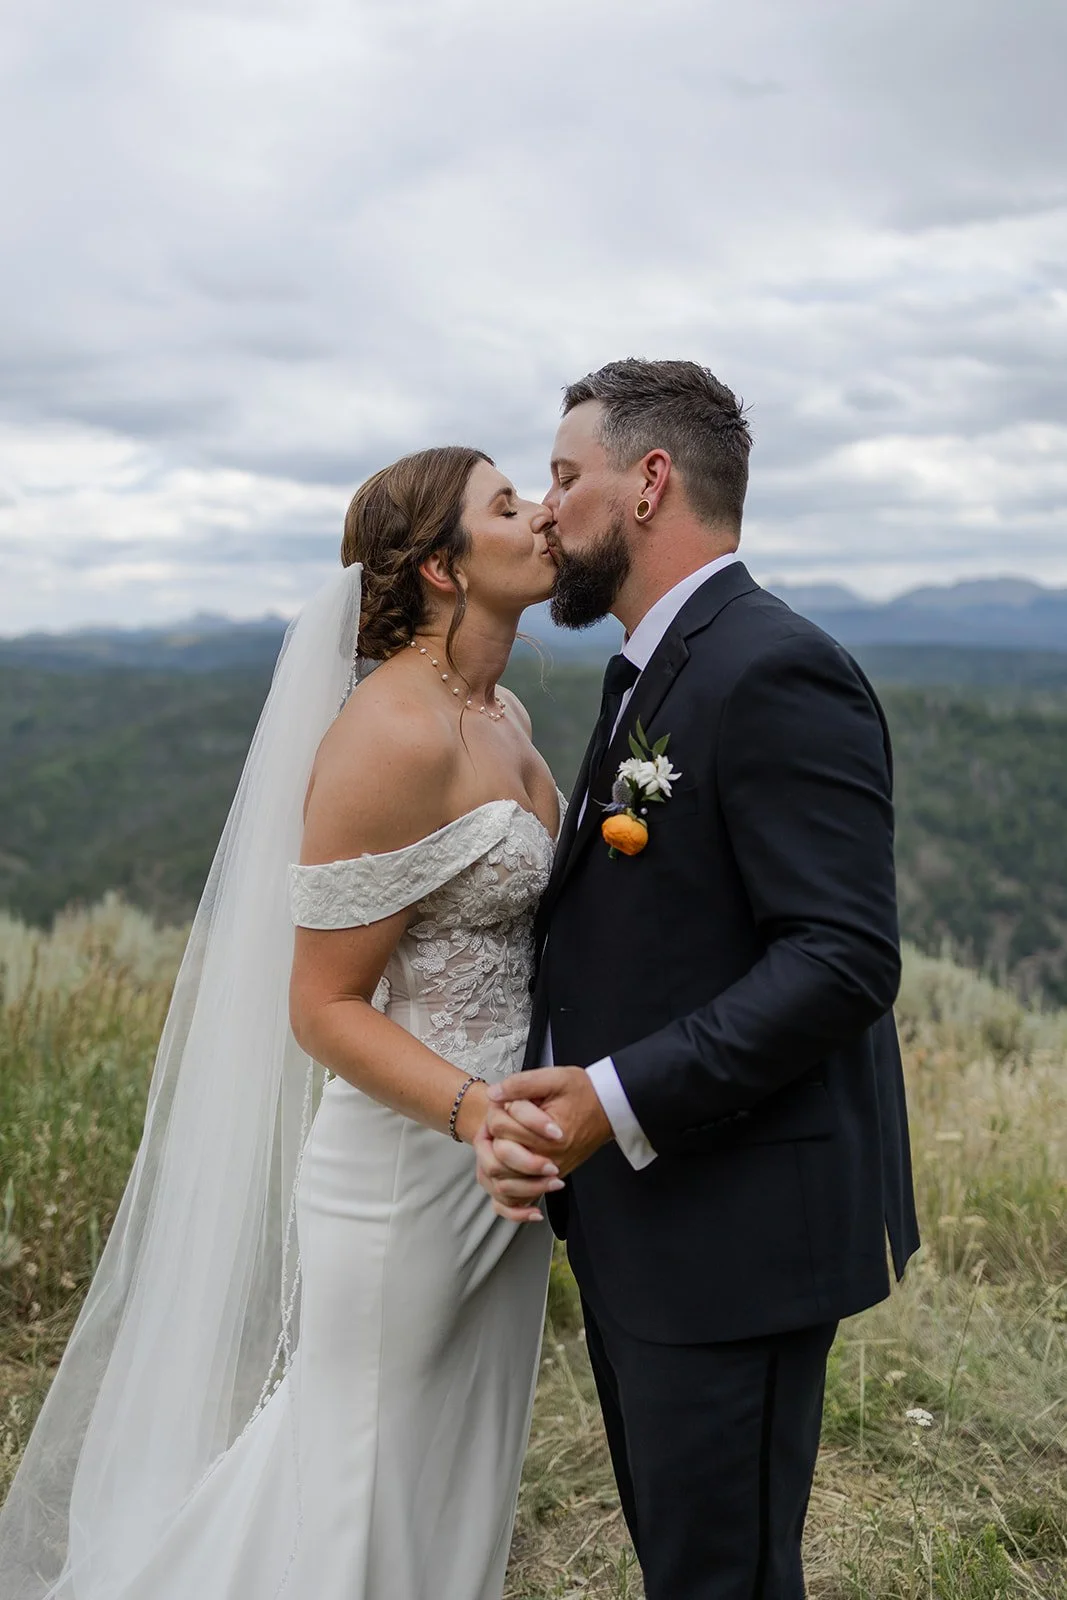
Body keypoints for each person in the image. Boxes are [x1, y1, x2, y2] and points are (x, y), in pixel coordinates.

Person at [0, 446, 566, 1600]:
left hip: (506, 1158)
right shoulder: (391, 733)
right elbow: (319, 1006)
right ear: (442, 567)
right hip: (413, 1164)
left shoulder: (501, 710)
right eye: (507, 506)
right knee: (354, 1473)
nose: (544, 516)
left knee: (454, 1462)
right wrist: (474, 1113)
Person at [475, 359, 921, 1600]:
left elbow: (840, 957)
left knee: (721, 1577)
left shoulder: (771, 667)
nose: (547, 507)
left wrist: (609, 1098)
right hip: (648, 1219)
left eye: (563, 475)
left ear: (648, 483)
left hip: (736, 1236)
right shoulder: (654, 666)